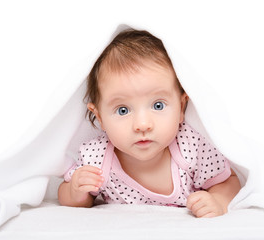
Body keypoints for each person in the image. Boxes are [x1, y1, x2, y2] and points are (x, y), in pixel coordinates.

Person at [58, 28, 241, 218]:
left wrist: (218, 201)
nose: (142, 124)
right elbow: (69, 195)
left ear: (181, 107)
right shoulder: (98, 158)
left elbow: (228, 181)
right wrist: (76, 191)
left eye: (158, 105)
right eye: (123, 110)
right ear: (100, 117)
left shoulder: (190, 147)